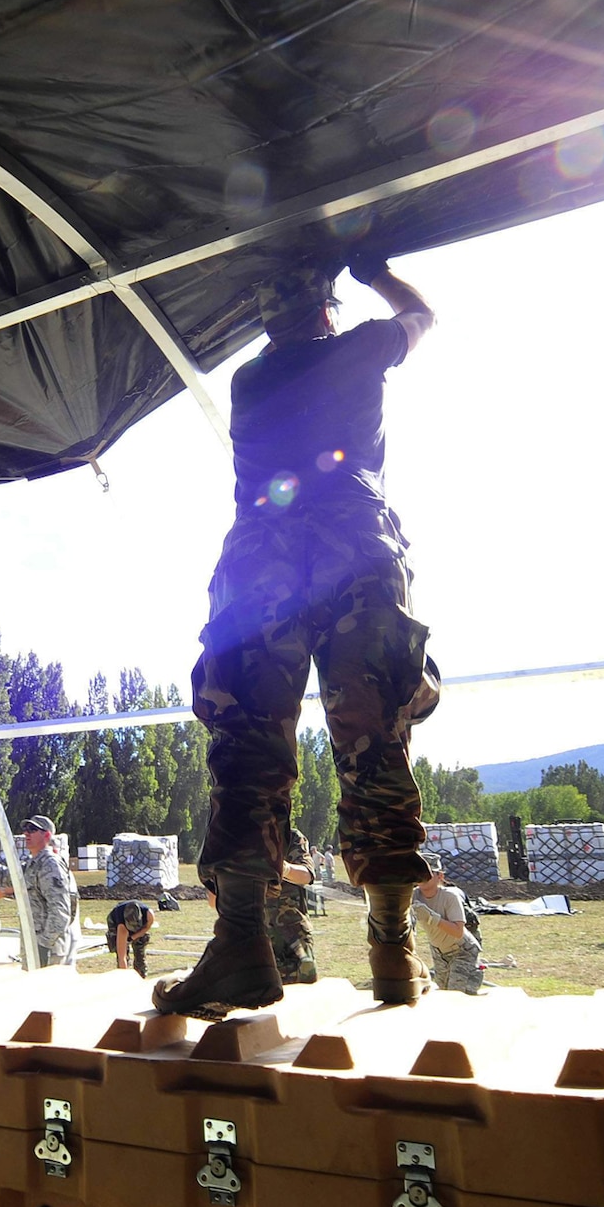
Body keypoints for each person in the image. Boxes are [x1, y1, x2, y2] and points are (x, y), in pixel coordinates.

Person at [154, 258, 440, 1017]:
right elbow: (423, 315)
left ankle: (242, 943)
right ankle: (391, 948)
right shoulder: (360, 346)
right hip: (354, 539)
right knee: (375, 740)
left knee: (248, 741)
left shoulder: (249, 382)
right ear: (325, 309)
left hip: (262, 554)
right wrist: (378, 272)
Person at [413, 850, 483, 994]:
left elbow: (458, 931)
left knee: (456, 996)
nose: (423, 877)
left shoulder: (450, 897)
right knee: (443, 995)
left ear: (440, 876)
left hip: (462, 951)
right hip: (439, 953)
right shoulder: (413, 895)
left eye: (429, 873)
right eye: (420, 873)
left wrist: (433, 918)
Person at [18, 816, 78, 968]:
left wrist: (44, 945)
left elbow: (60, 910)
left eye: (32, 830)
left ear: (47, 835)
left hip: (47, 949)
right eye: (25, 830)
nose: (26, 833)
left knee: (47, 991)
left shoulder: (50, 865)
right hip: (34, 945)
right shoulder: (34, 863)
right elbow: (9, 876)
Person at [264, 827, 319, 983]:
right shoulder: (241, 839)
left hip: (294, 935)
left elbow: (307, 875)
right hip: (257, 936)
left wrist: (285, 868)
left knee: (302, 994)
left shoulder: (290, 837)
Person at [106, 899, 156, 976]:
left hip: (139, 925)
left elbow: (146, 927)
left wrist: (133, 937)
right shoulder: (121, 926)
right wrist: (124, 975)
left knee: (140, 946)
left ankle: (141, 974)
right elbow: (121, 956)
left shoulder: (149, 914)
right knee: (120, 949)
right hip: (114, 922)